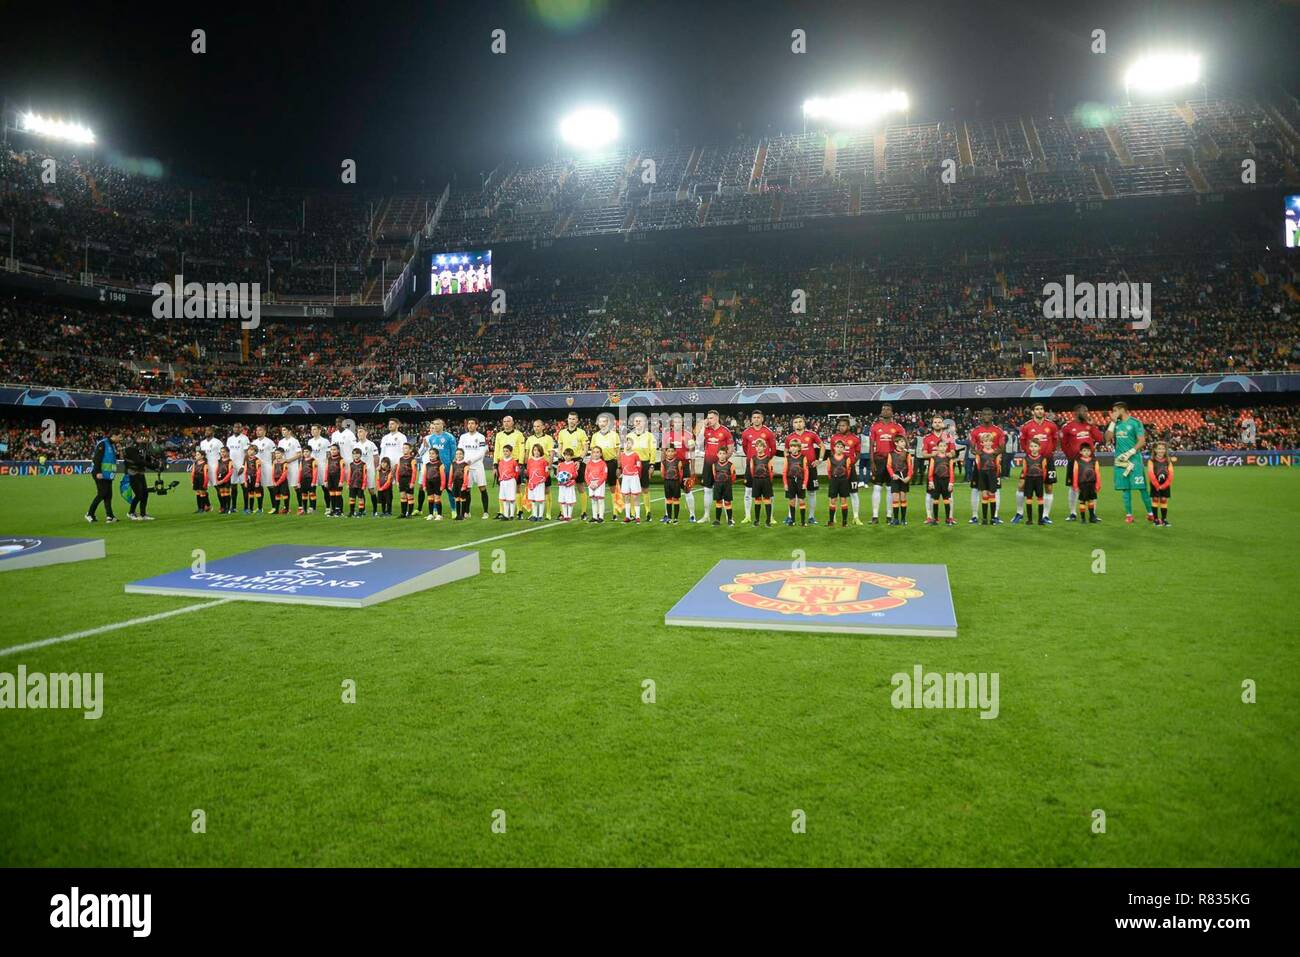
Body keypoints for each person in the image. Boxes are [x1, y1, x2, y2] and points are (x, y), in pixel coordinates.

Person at [1107, 402, 1155, 524]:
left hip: (1134, 460)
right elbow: (1107, 439)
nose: (1112, 413)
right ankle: (1129, 515)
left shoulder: (1135, 422)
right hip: (1120, 461)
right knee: (1125, 488)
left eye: (1114, 410)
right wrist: (1112, 422)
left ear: (1122, 410)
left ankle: (1151, 513)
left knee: (1142, 487)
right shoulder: (1115, 424)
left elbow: (1142, 441)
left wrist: (1129, 453)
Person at [1014, 404, 1059, 525]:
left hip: (1047, 459)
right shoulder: (1027, 426)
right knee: (1021, 485)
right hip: (1031, 460)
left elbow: (1055, 441)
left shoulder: (1051, 425)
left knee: (1048, 487)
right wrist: (1029, 453)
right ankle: (1019, 513)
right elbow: (1023, 442)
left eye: (1042, 409)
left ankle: (1045, 515)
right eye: (1037, 409)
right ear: (1033, 411)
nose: (1040, 411)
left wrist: (1049, 451)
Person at [1058, 405, 1104, 522]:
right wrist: (1071, 457)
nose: (1087, 413)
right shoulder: (1068, 427)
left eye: (1087, 411)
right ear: (1077, 412)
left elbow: (1099, 438)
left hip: (1090, 461)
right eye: (1084, 411)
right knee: (1073, 487)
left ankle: (1093, 513)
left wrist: (1093, 425)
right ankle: (1073, 513)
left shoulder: (1089, 425)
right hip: (1075, 461)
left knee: (1091, 486)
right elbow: (1063, 444)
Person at [868, 405, 906, 524]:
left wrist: (902, 459)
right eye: (883, 409)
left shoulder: (898, 427)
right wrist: (872, 461)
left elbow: (904, 444)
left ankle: (889, 515)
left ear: (892, 412)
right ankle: (875, 516)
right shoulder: (875, 427)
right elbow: (871, 445)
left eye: (888, 409)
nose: (885, 411)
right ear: (881, 411)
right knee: (877, 487)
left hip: (893, 461)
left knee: (891, 488)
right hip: (879, 460)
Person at [968, 409, 1006, 524]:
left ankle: (995, 515)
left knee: (995, 490)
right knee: (975, 489)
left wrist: (991, 454)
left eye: (989, 414)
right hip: (980, 466)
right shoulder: (975, 431)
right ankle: (974, 515)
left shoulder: (998, 431)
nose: (987, 416)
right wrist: (978, 453)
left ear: (992, 415)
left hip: (994, 466)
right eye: (985, 414)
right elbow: (972, 447)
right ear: (981, 416)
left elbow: (1002, 447)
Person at [739, 411, 777, 524]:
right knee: (748, 491)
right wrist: (752, 459)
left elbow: (773, 449)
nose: (756, 419)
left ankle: (770, 517)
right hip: (751, 465)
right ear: (751, 419)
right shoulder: (746, 432)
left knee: (768, 493)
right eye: (754, 417)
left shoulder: (768, 432)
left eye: (758, 417)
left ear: (762, 419)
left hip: (764, 466)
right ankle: (747, 516)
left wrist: (765, 460)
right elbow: (745, 448)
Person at [785, 415, 824, 524]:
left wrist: (819, 460)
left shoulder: (812, 434)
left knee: (812, 492)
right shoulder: (789, 437)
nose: (798, 424)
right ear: (793, 425)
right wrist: (788, 463)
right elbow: (786, 451)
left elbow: (822, 446)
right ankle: (790, 517)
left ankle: (811, 517)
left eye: (800, 421)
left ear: (804, 423)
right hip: (795, 471)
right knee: (794, 494)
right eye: (796, 422)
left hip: (810, 468)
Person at [696, 410, 732, 523]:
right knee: (707, 490)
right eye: (707, 418)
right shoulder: (706, 430)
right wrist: (702, 427)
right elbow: (699, 443)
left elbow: (730, 449)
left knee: (723, 492)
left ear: (716, 418)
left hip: (721, 467)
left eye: (711, 418)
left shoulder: (725, 431)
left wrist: (724, 462)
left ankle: (729, 518)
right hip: (708, 464)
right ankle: (706, 515)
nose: (708, 420)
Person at [662, 413, 697, 522]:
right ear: (672, 423)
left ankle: (692, 515)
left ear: (682, 423)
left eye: (679, 422)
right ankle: (667, 515)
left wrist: (693, 468)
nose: (677, 424)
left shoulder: (688, 435)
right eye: (675, 422)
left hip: (684, 466)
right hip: (669, 467)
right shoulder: (666, 435)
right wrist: (663, 465)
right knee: (668, 493)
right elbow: (663, 451)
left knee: (687, 490)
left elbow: (692, 452)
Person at [830, 416, 864, 524]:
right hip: (837, 470)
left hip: (850, 470)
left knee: (854, 493)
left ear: (848, 426)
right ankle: (833, 518)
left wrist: (853, 463)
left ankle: (855, 517)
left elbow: (858, 453)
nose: (841, 427)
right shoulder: (834, 438)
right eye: (839, 425)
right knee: (834, 495)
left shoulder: (855, 438)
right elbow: (832, 453)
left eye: (843, 425)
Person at [421, 419, 458, 517]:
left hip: (447, 468)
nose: (436, 426)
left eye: (438, 424)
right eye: (434, 424)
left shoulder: (449, 437)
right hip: (434, 469)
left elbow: (454, 453)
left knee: (449, 489)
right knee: (435, 491)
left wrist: (451, 467)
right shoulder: (431, 438)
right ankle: (435, 511)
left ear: (443, 425)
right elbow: (431, 453)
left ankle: (454, 510)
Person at [492, 416, 527, 520]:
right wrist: (495, 464)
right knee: (502, 488)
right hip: (502, 464)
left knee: (517, 488)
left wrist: (520, 464)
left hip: (514, 463)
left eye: (508, 421)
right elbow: (496, 450)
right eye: (504, 421)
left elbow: (522, 449)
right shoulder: (499, 435)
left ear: (512, 423)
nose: (506, 423)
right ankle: (502, 512)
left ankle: (519, 511)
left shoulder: (519, 434)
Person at [556, 412, 589, 519]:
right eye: (570, 418)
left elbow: (585, 448)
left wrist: (579, 460)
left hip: (577, 461)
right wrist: (560, 460)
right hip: (564, 461)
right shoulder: (562, 432)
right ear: (567, 419)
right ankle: (562, 513)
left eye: (574, 419)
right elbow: (560, 447)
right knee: (562, 487)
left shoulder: (582, 432)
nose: (572, 420)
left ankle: (583, 512)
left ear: (577, 421)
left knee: (580, 486)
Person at [457, 418, 491, 519]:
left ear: (477, 425)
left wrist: (471, 460)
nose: (470, 425)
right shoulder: (463, 437)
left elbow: (482, 452)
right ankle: (467, 511)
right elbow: (460, 450)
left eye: (472, 423)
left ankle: (485, 512)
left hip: (477, 466)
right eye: (469, 424)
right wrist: (461, 461)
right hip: (466, 467)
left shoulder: (480, 437)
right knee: (467, 489)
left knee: (482, 488)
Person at [627, 415, 657, 522]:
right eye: (636, 421)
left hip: (644, 464)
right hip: (632, 465)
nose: (638, 423)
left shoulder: (649, 436)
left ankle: (648, 512)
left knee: (645, 488)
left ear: (644, 423)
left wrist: (652, 464)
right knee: (632, 489)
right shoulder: (629, 435)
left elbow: (653, 450)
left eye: (640, 421)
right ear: (633, 423)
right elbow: (626, 451)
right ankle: (633, 513)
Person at [591, 413, 623, 514]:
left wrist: (619, 466)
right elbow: (593, 451)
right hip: (599, 464)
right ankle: (598, 512)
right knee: (598, 486)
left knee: (613, 487)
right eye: (600, 422)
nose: (602, 424)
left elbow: (618, 452)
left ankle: (615, 511)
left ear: (608, 423)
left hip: (611, 463)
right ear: (598, 423)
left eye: (604, 421)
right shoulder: (595, 436)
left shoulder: (614, 435)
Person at [123, 431, 156, 522]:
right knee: (138, 494)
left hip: (140, 472)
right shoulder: (131, 447)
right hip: (133, 472)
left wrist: (155, 465)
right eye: (144, 438)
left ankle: (143, 514)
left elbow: (146, 459)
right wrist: (152, 466)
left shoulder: (143, 447)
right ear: (139, 438)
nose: (146, 439)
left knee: (145, 493)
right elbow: (138, 461)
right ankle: (131, 512)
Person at [927, 438, 957, 526]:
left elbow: (951, 471)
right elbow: (931, 471)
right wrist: (931, 481)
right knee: (935, 500)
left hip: (946, 481)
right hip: (936, 480)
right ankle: (935, 519)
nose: (942, 448)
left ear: (946, 447)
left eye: (944, 446)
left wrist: (951, 483)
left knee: (947, 500)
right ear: (937, 447)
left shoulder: (949, 458)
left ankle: (948, 519)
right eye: (940, 446)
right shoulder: (934, 458)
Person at [747, 437, 776, 527]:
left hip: (766, 481)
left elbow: (771, 472)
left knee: (767, 500)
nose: (758, 448)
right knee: (757, 500)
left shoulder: (768, 459)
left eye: (760, 446)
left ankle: (768, 521)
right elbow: (752, 471)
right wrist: (756, 478)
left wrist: (768, 480)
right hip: (756, 481)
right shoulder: (753, 458)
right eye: (757, 446)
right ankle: (757, 520)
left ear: (764, 447)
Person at [1019, 438, 1048, 526]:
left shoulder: (1043, 458)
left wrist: (1042, 480)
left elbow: (1044, 471)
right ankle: (1029, 520)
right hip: (1029, 480)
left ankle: (1040, 520)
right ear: (1029, 448)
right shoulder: (1026, 458)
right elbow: (1024, 471)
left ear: (1039, 447)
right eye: (1031, 446)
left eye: (1035, 446)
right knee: (1029, 498)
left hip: (1039, 479)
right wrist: (1024, 480)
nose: (1033, 448)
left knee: (1040, 498)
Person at [886, 434, 914, 526]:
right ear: (896, 443)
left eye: (904, 441)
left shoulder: (907, 454)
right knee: (895, 498)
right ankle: (896, 519)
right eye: (901, 441)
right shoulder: (891, 454)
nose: (904, 443)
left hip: (904, 477)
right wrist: (892, 474)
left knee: (903, 497)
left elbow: (910, 467)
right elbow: (888, 466)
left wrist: (908, 477)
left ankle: (903, 519)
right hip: (895, 477)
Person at [975, 432, 1002, 525]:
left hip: (992, 475)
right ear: (982, 442)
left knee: (992, 495)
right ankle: (984, 518)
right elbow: (978, 466)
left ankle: (993, 518)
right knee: (984, 495)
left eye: (989, 441)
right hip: (982, 475)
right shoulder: (979, 453)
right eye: (985, 441)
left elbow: (998, 466)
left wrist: (997, 476)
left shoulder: (995, 453)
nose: (987, 443)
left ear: (992, 442)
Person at [826, 440, 854, 528]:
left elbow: (848, 471)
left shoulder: (847, 459)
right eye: (837, 447)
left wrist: (844, 479)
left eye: (841, 447)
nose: (839, 449)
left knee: (843, 500)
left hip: (843, 481)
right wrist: (833, 479)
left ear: (844, 449)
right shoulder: (830, 458)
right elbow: (829, 471)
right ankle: (831, 521)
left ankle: (844, 522)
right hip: (834, 480)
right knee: (833, 500)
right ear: (834, 448)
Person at [1147, 442, 1174, 527]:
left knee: (1163, 500)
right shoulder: (1151, 461)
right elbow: (1151, 474)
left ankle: (1164, 519)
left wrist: (1165, 485)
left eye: (1163, 449)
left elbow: (1171, 474)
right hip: (1155, 484)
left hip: (1165, 484)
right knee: (1155, 499)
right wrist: (1157, 485)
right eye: (1159, 449)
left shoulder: (1168, 461)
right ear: (1155, 450)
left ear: (1165, 450)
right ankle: (1155, 519)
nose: (1161, 450)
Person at [783, 438, 809, 526]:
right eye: (791, 446)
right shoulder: (787, 458)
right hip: (790, 481)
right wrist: (785, 484)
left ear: (799, 448)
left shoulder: (803, 457)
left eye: (795, 446)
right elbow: (784, 472)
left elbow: (806, 471)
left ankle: (803, 521)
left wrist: (805, 483)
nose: (793, 448)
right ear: (789, 448)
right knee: (792, 501)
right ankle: (792, 520)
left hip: (800, 481)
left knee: (801, 500)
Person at [354, 427, 380, 515]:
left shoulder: (371, 444)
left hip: (369, 470)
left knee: (371, 490)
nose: (359, 433)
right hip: (359, 471)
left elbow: (376, 457)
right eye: (358, 432)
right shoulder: (356, 445)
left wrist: (376, 468)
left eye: (361, 432)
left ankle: (375, 510)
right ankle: (363, 510)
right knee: (360, 490)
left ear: (366, 433)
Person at [1074, 445, 1102, 523]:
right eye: (1084, 451)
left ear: (1091, 452)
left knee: (1091, 500)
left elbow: (1097, 473)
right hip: (1082, 484)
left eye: (1088, 451)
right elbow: (1075, 473)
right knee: (1082, 501)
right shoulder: (1077, 461)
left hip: (1092, 484)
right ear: (1080, 452)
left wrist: (1098, 484)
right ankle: (1083, 518)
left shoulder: (1094, 461)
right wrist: (1075, 485)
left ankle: (1092, 517)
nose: (1086, 452)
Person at [227, 423, 252, 513]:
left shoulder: (245, 438)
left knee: (244, 486)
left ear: (241, 428)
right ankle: (233, 507)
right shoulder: (229, 439)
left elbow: (247, 453)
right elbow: (228, 453)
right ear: (233, 428)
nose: (237, 429)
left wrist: (243, 465)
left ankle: (246, 508)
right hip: (232, 466)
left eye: (239, 427)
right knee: (233, 486)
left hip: (242, 466)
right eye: (235, 427)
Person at [251, 425, 276, 513]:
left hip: (267, 467)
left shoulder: (269, 442)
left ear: (265, 431)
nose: (258, 432)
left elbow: (274, 454)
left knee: (271, 487)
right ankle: (260, 508)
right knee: (258, 488)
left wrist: (273, 465)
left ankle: (274, 507)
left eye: (260, 430)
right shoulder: (254, 443)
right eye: (257, 430)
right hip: (257, 469)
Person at [619, 436, 643, 524]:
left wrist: (637, 475)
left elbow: (639, 466)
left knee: (635, 496)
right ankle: (628, 516)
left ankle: (637, 517)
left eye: (628, 442)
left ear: (632, 444)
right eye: (625, 443)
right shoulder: (622, 455)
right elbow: (622, 466)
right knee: (626, 496)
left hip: (634, 477)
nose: (627, 444)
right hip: (625, 477)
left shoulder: (635, 455)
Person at [307, 424, 330, 514]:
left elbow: (328, 454)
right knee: (312, 488)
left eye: (315, 429)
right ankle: (312, 507)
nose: (313, 431)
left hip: (323, 467)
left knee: (325, 488)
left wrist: (327, 465)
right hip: (312, 467)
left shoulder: (325, 441)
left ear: (320, 430)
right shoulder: (310, 441)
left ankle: (328, 507)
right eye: (312, 429)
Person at [710, 446, 736, 526]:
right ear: (717, 454)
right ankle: (717, 520)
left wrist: (728, 483)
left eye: (724, 453)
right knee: (718, 502)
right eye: (720, 453)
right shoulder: (714, 465)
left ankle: (730, 520)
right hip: (718, 485)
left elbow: (733, 477)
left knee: (727, 502)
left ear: (726, 455)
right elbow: (714, 475)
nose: (722, 455)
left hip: (727, 486)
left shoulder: (731, 465)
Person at [526, 443, 550, 522]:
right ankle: (534, 515)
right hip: (532, 483)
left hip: (540, 483)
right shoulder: (530, 461)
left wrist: (542, 479)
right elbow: (529, 471)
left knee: (540, 500)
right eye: (535, 450)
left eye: (538, 450)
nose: (536, 452)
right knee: (533, 500)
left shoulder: (544, 461)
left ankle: (540, 516)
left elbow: (546, 473)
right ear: (532, 451)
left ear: (541, 452)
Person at [496, 445, 520, 520]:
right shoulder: (501, 462)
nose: (505, 452)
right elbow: (500, 471)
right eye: (504, 451)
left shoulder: (514, 461)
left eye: (507, 451)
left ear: (511, 452)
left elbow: (517, 472)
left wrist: (512, 478)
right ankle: (506, 515)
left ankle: (512, 514)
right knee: (505, 499)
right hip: (503, 481)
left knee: (511, 498)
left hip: (511, 481)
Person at [422, 448, 447, 521]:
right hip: (429, 483)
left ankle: (439, 515)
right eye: (430, 453)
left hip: (437, 483)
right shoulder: (427, 465)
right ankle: (430, 514)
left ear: (437, 455)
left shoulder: (440, 464)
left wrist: (442, 485)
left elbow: (443, 476)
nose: (431, 455)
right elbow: (424, 476)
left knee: (437, 499)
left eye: (433, 453)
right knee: (430, 499)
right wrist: (424, 485)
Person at [556, 449, 580, 522]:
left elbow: (576, 474)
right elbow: (558, 474)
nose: (567, 457)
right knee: (563, 500)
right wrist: (559, 478)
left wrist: (570, 476)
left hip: (569, 485)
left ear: (571, 456)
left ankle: (569, 515)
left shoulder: (573, 464)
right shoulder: (561, 464)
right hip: (562, 485)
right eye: (565, 455)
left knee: (569, 500)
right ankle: (565, 515)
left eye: (569, 455)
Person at [585, 450, 609, 524]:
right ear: (591, 454)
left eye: (597, 452)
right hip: (591, 484)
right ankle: (594, 517)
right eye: (594, 452)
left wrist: (597, 484)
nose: (595, 454)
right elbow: (586, 475)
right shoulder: (589, 463)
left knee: (600, 500)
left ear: (601, 454)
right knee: (593, 500)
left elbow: (604, 475)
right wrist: (589, 484)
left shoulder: (603, 464)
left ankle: (601, 517)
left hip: (599, 483)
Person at [395, 443, 419, 518]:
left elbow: (414, 472)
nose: (404, 449)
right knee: (403, 496)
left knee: (410, 496)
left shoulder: (412, 459)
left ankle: (409, 514)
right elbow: (397, 470)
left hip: (408, 479)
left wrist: (412, 482)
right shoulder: (400, 459)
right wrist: (397, 480)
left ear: (410, 450)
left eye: (406, 448)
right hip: (401, 479)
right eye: (403, 448)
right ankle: (403, 513)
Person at [322, 445, 345, 517]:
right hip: (330, 478)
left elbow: (342, 471)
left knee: (338, 494)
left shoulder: (341, 459)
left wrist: (341, 481)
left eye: (334, 449)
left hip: (337, 478)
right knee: (332, 495)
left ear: (338, 450)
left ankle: (339, 510)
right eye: (331, 449)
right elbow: (326, 470)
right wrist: (325, 480)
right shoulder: (328, 459)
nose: (333, 451)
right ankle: (333, 510)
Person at [450, 448, 472, 520]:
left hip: (462, 484)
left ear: (463, 455)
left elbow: (466, 476)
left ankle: (462, 515)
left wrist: (464, 485)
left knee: (463, 499)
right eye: (457, 454)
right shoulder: (453, 464)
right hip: (455, 484)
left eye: (460, 454)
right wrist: (450, 484)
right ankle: (458, 515)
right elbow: (451, 475)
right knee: (457, 499)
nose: (458, 455)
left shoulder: (465, 465)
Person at [346, 448, 368, 517]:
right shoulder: (351, 464)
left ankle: (361, 512)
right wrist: (348, 483)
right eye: (354, 454)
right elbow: (349, 474)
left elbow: (365, 475)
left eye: (357, 454)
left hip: (360, 484)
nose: (355, 455)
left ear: (360, 455)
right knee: (351, 498)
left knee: (360, 498)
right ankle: (352, 511)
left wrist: (364, 485)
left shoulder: (363, 464)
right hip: (352, 484)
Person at [269, 449, 291, 515]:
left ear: (282, 454)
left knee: (285, 495)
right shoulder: (274, 462)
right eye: (275, 453)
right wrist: (273, 480)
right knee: (277, 495)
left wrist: (278, 482)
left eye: (278, 453)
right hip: (275, 481)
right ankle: (276, 509)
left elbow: (284, 473)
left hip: (283, 481)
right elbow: (273, 471)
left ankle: (286, 509)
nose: (276, 455)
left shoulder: (285, 462)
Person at [297, 447, 318, 514]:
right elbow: (300, 471)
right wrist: (298, 481)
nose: (305, 453)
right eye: (304, 452)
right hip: (303, 480)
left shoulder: (314, 460)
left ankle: (313, 508)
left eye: (307, 451)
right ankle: (305, 509)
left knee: (312, 494)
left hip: (310, 479)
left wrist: (313, 482)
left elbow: (315, 472)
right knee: (304, 494)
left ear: (310, 452)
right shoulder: (302, 460)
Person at [214, 447, 235, 514]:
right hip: (219, 479)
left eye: (224, 452)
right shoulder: (219, 460)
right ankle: (224, 508)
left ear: (228, 452)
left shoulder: (230, 461)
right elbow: (216, 470)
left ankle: (228, 508)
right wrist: (216, 479)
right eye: (221, 452)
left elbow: (230, 472)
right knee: (222, 494)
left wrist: (223, 480)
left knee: (227, 494)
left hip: (226, 480)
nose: (222, 453)